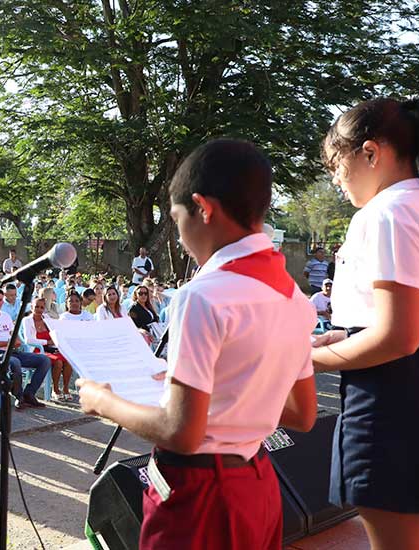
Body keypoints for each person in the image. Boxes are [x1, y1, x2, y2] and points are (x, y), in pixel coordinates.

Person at [78, 138, 317, 550]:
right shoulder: (294, 298)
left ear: (203, 208)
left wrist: (103, 401)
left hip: (202, 495)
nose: (181, 235)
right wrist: (207, 391)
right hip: (257, 482)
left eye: (176, 217)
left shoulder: (203, 295)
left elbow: (181, 432)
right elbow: (302, 413)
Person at [313, 97, 419, 549]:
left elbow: (399, 336)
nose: (336, 179)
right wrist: (346, 336)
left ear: (369, 152)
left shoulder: (388, 211)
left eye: (336, 164)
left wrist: (309, 361)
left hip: (391, 394)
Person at [0, 289, 51, 409]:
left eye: (0, 300)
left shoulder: (6, 317)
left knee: (44, 360)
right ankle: (19, 397)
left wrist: (13, 344)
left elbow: (18, 340)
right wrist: (8, 343)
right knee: (15, 363)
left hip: (14, 352)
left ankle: (29, 394)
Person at [23, 297, 73, 401]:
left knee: (68, 359)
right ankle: (55, 390)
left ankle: (66, 389)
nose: (39, 309)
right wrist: (46, 342)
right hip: (37, 350)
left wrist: (54, 342)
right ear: (32, 307)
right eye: (36, 306)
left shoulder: (47, 318)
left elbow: (55, 333)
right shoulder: (27, 320)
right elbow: (28, 340)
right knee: (58, 362)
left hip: (51, 348)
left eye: (41, 307)